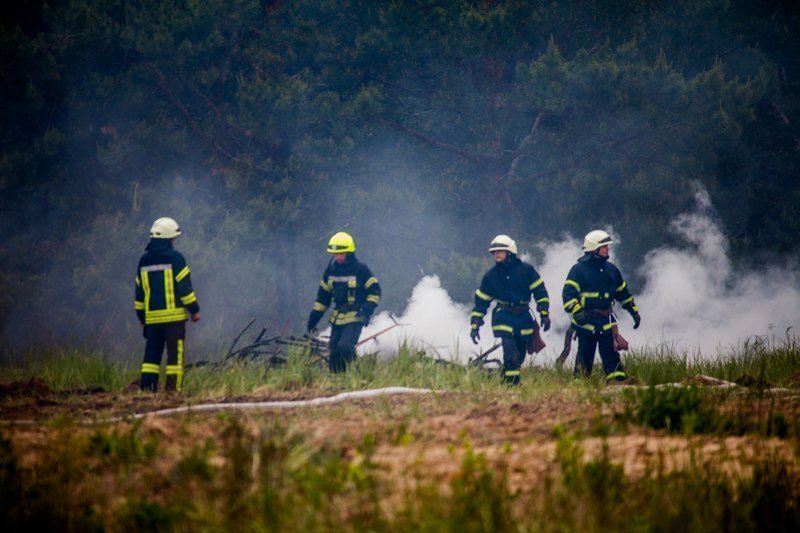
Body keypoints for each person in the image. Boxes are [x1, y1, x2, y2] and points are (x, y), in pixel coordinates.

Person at [470, 235, 550, 385]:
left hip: (524, 317)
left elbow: (540, 291)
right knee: (510, 351)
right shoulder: (491, 276)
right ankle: (513, 385)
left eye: (500, 251)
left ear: (510, 252)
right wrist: (475, 324)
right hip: (503, 317)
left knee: (519, 355)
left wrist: (544, 312)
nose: (496, 254)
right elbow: (481, 302)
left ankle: (505, 379)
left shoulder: (526, 270)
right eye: (494, 252)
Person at [562, 230, 640, 382]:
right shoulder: (578, 270)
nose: (607, 249)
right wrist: (577, 312)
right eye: (604, 246)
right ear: (594, 248)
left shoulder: (611, 270)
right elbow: (568, 295)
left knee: (611, 355)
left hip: (606, 322)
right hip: (586, 322)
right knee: (584, 357)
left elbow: (622, 293)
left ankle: (618, 384)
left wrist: (634, 312)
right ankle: (580, 386)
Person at [134, 217, 200, 392]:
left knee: (151, 359)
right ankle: (173, 393)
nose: (175, 241)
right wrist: (194, 310)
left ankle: (147, 392)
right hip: (174, 321)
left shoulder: (143, 260)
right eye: (174, 238)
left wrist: (141, 316)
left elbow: (139, 292)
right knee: (174, 359)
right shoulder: (176, 258)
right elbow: (184, 288)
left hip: (152, 321)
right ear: (169, 238)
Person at [307, 231, 381, 372]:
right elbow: (323, 299)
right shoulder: (330, 272)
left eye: (341, 254)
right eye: (335, 254)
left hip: (355, 316)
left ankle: (357, 373)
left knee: (345, 347)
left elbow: (375, 292)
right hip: (338, 317)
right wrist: (313, 320)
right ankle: (338, 382)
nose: (338, 257)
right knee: (334, 351)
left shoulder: (361, 270)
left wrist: (366, 311)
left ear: (349, 253)